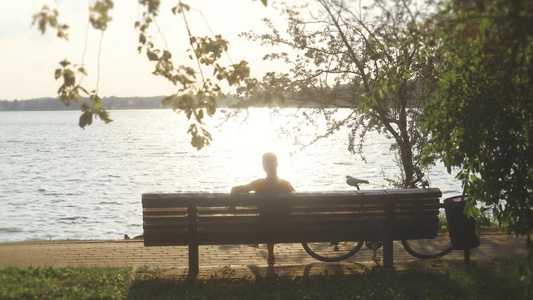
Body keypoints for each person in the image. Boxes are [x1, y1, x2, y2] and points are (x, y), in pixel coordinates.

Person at [231, 152, 295, 265]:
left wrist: (233, 205)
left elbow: (235, 190)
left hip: (264, 225)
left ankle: (262, 246)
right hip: (286, 226)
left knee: (267, 219)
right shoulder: (286, 185)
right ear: (277, 165)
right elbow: (295, 201)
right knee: (272, 219)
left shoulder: (259, 184)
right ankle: (270, 254)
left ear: (264, 167)